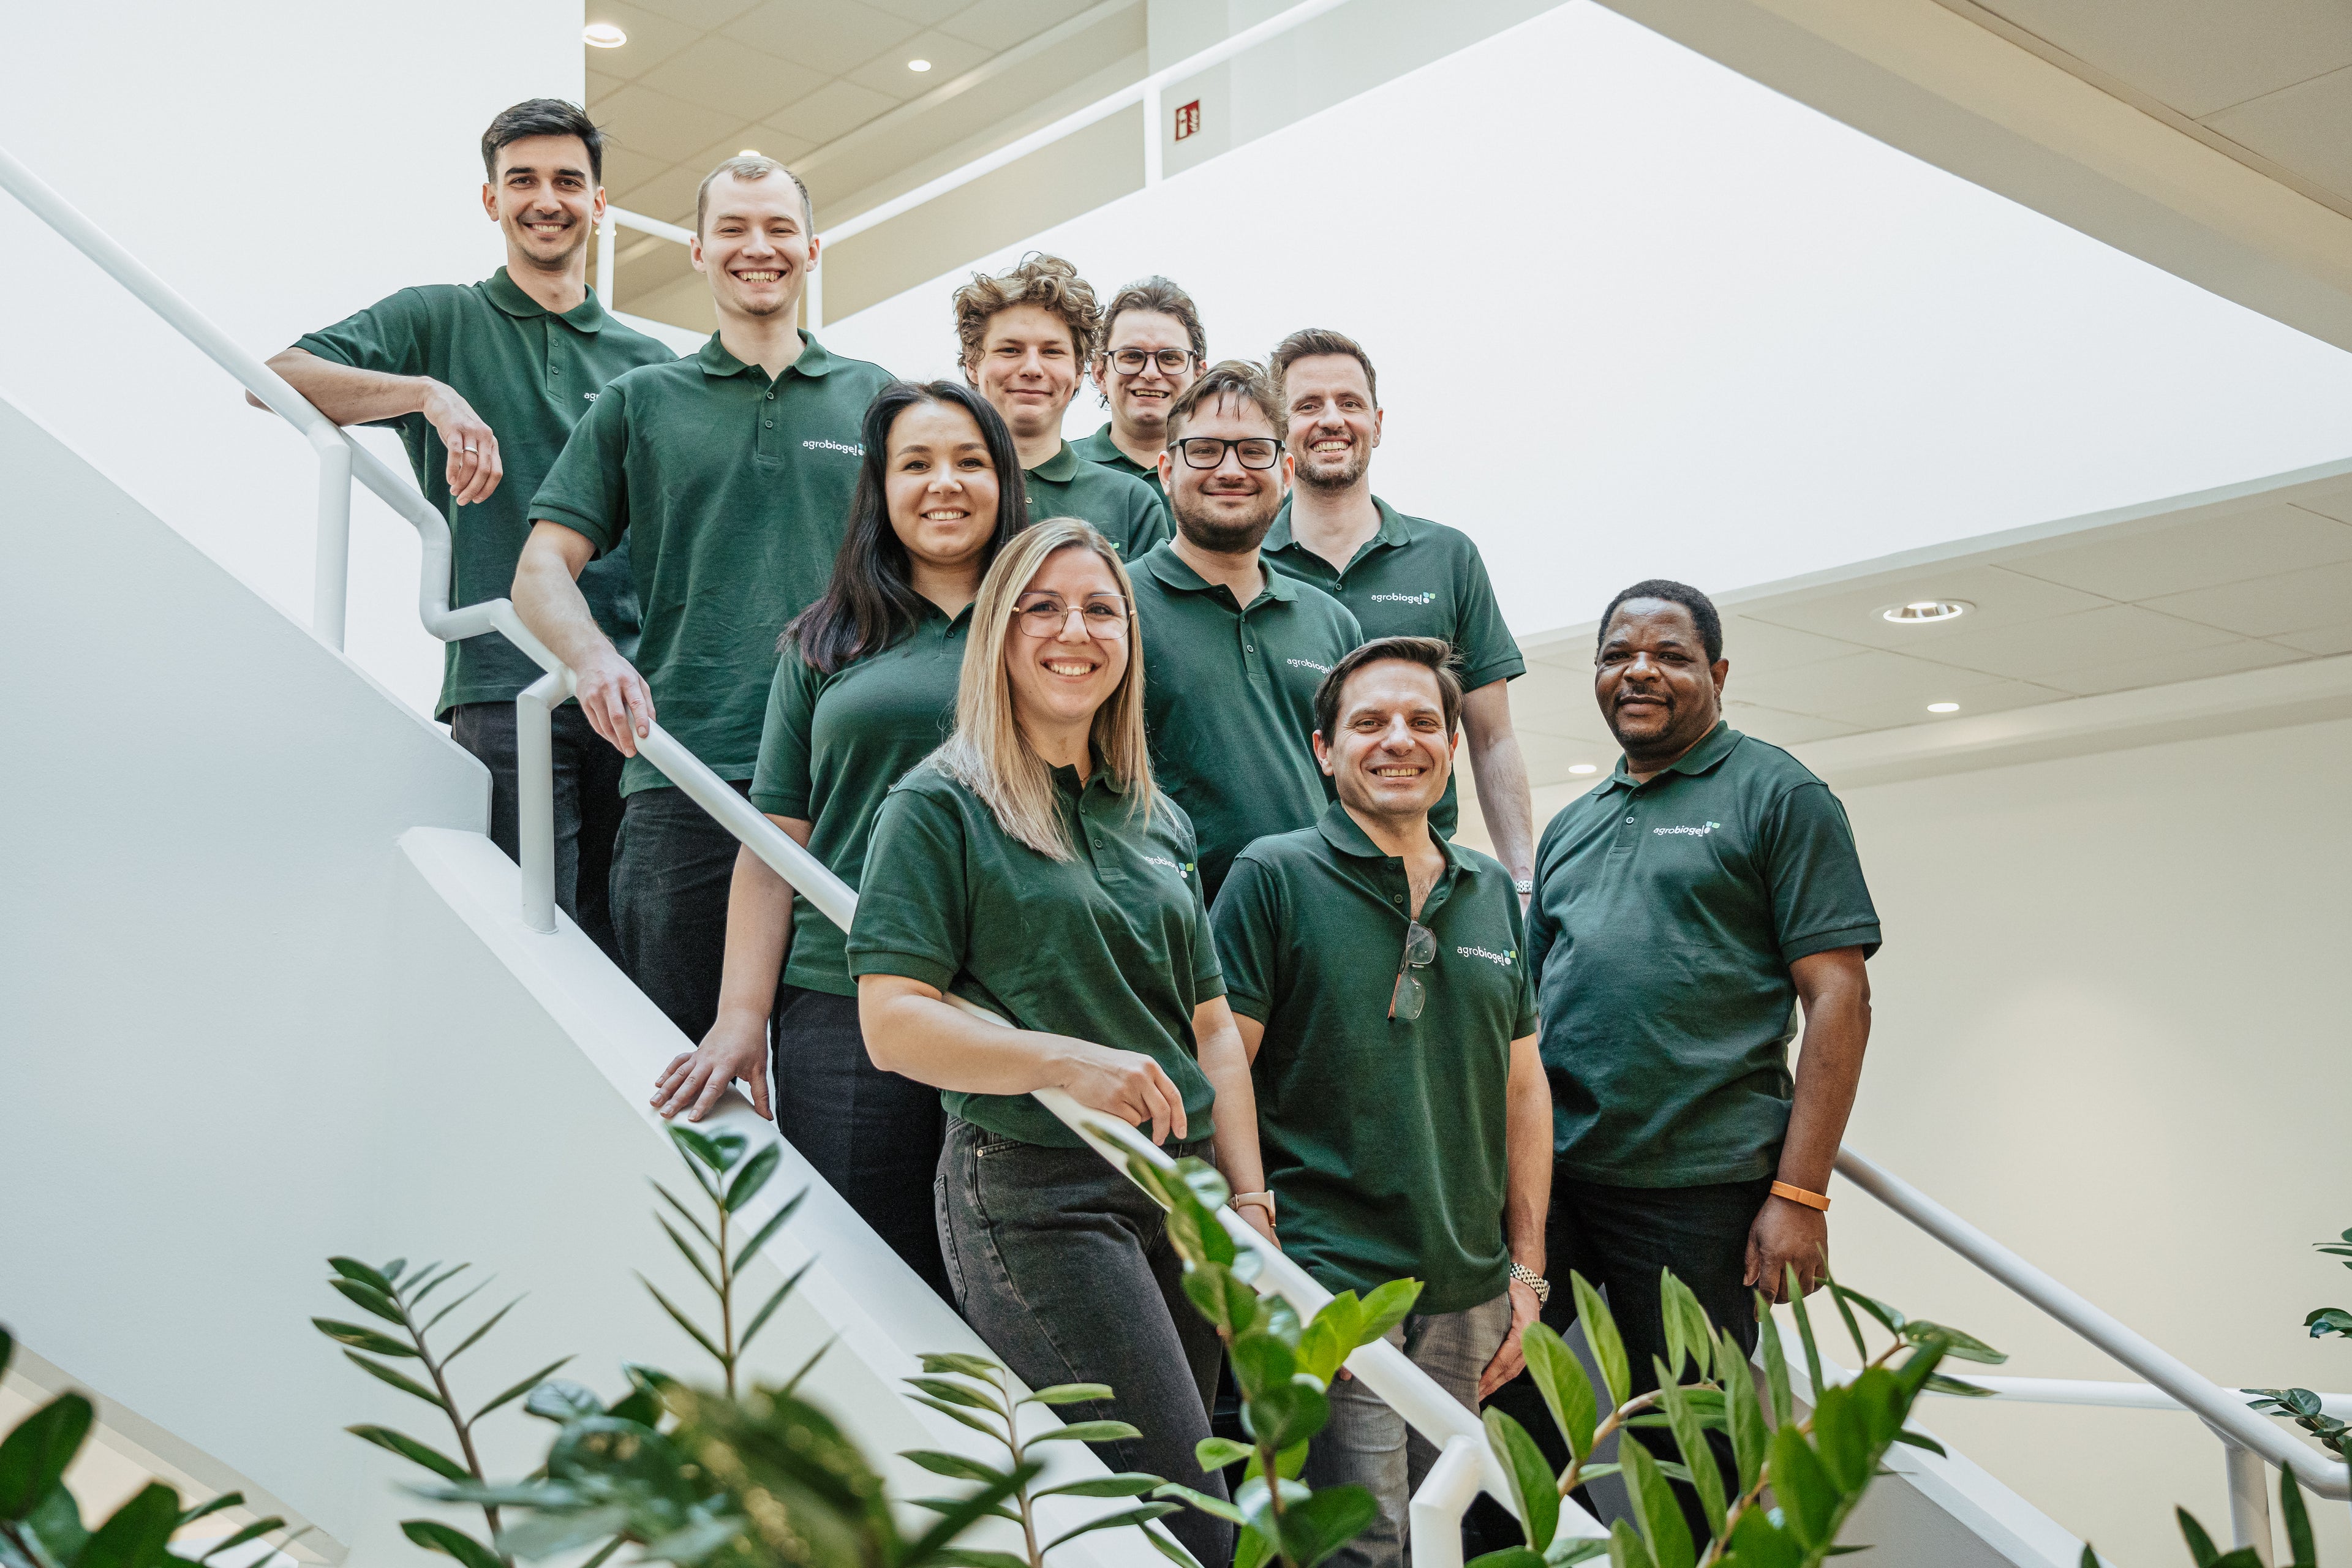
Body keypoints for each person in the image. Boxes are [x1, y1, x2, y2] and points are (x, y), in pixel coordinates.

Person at [848, 519, 1270, 1567]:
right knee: (1183, 1526)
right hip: (1038, 1194)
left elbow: (1211, 1028)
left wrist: (1246, 1203)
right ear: (998, 631)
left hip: (1182, 1196)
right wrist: (1059, 1061)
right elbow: (892, 1018)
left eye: (1099, 608)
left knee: (1187, 1514)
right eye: (1042, 606)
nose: (1073, 631)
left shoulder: (1155, 817)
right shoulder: (938, 805)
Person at [1490, 578, 1880, 1550]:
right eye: (1619, 654)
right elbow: (1528, 1014)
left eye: (1668, 655)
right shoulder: (1577, 823)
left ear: (1717, 672)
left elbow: (1839, 998)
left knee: (1691, 1449)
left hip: (1696, 1191)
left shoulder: (1778, 795)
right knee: (1495, 1395)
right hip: (1561, 1179)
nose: (1640, 673)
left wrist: (1803, 1193)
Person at [258, 100, 673, 958]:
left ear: (600, 203)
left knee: (641, 957)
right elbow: (275, 379)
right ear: (491, 201)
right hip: (500, 677)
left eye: (568, 181)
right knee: (537, 945)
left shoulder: (651, 368)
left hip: (635, 686)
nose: (545, 199)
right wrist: (424, 394)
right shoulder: (439, 320)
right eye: (522, 180)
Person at [647, 382, 1026, 1298]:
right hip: (841, 1002)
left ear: (1005, 483)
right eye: (917, 464)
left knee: (1008, 1283)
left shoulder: (1047, 632)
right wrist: (742, 1018)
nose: (945, 484)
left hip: (1015, 1000)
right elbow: (773, 845)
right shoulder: (826, 643)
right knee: (867, 1281)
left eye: (970, 462)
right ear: (881, 489)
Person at [513, 155, 894, 1043]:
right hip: (684, 772)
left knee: (848, 1078)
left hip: (851, 780)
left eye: (776, 229)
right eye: (732, 229)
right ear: (696, 251)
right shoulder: (641, 402)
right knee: (674, 1063)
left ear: (812, 249)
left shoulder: (880, 402)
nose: (755, 248)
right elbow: (539, 571)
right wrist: (596, 657)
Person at [1212, 635, 1552, 1568]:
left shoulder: (1488, 892)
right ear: (1324, 750)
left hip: (1470, 1286)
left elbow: (1524, 1086)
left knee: (1440, 1529)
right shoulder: (1271, 877)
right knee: (1361, 1545)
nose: (1398, 740)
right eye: (1369, 723)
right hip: (1332, 1280)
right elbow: (1222, 1065)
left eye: (1422, 722)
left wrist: (1526, 1272)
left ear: (1451, 743)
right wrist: (1249, 1230)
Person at [1262, 329, 1534, 889]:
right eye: (1308, 406)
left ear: (1378, 424)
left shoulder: (1448, 556)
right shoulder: (1245, 563)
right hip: (1287, 882)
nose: (1331, 420)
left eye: (1351, 403)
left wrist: (1524, 880)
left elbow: (1492, 738)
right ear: (1279, 430)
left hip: (1423, 876)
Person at [1125, 361, 1362, 900]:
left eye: (1254, 451)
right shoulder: (1112, 609)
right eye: (1205, 450)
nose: (1230, 469)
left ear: (1285, 471)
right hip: (1167, 935)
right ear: (1166, 470)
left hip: (1317, 925)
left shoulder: (1333, 623)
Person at [954, 254, 1166, 560]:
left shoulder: (1131, 502)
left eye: (1052, 351)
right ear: (973, 364)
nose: (1032, 368)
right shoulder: (941, 490)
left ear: (1080, 371)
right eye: (1010, 350)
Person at [1072, 276, 1205, 502]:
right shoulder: (1062, 469)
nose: (1151, 373)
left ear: (1198, 376)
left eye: (1170, 357)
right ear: (1100, 373)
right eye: (1132, 356)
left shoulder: (1229, 478)